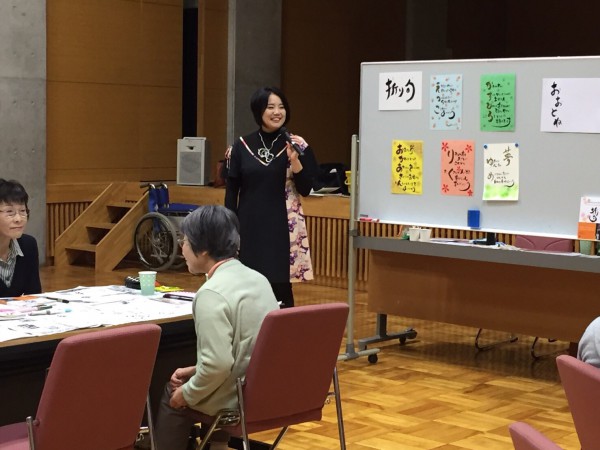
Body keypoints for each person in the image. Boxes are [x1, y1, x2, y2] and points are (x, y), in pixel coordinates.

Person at [152, 205, 279, 450]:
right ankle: (217, 446)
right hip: (267, 390)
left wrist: (186, 394)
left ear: (203, 249)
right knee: (197, 380)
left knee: (173, 393)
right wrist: (196, 370)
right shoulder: (259, 279)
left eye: (185, 240)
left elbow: (218, 366)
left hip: (237, 398)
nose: (182, 247)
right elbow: (244, 349)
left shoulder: (211, 294)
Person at [224, 86, 317, 308]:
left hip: (282, 227)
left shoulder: (297, 144)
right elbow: (232, 190)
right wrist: (230, 228)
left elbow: (306, 188)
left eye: (281, 107)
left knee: (280, 287)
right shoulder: (242, 145)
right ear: (259, 111)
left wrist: (295, 161)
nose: (277, 112)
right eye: (270, 107)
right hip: (249, 226)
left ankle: (284, 327)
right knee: (248, 284)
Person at [0, 179, 41, 297]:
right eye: (10, 212)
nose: (18, 219)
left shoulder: (28, 245)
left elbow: (33, 295)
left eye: (22, 211)